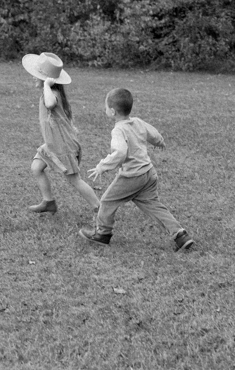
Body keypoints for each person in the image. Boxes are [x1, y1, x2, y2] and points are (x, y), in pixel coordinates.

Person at [79, 88, 195, 252]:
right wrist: (159, 142)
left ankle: (102, 234)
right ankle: (180, 235)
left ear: (112, 111)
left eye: (105, 107)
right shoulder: (138, 122)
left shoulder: (118, 130)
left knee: (107, 201)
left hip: (132, 176)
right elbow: (153, 134)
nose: (104, 109)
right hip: (148, 173)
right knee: (153, 204)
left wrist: (102, 166)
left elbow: (120, 152)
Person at [22, 52, 100, 213]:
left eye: (37, 76)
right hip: (52, 143)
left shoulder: (52, 94)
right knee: (36, 167)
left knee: (75, 180)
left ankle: (99, 209)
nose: (33, 78)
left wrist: (46, 86)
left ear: (48, 80)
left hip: (63, 145)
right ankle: (49, 202)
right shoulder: (50, 92)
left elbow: (50, 104)